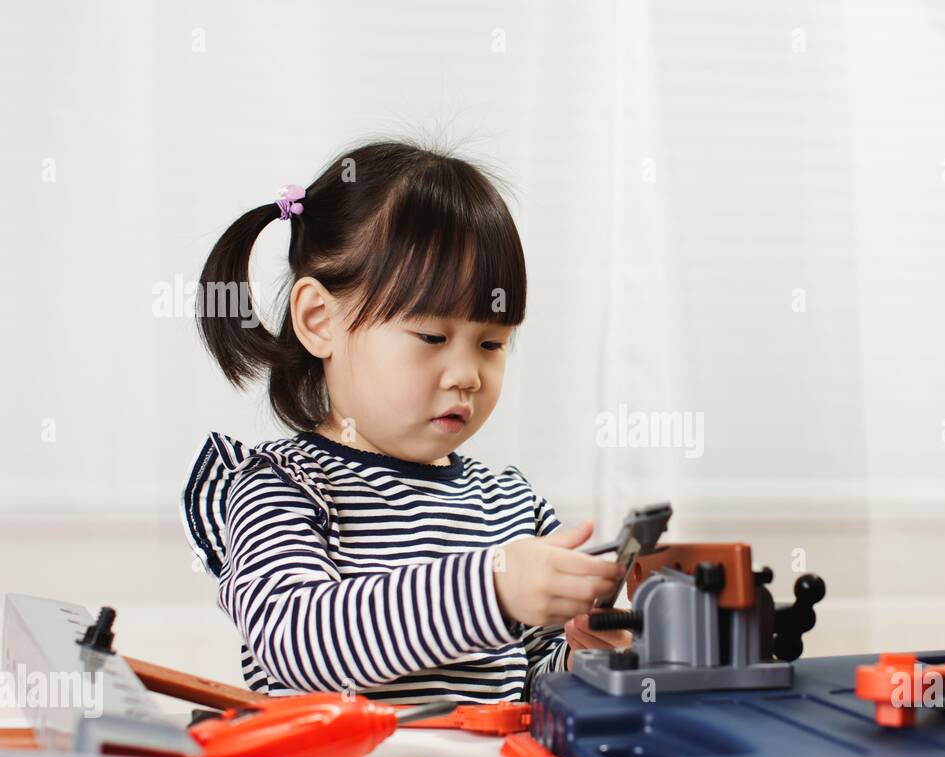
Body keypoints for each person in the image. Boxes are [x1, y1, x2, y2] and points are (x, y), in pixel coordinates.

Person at [182, 140, 630, 704]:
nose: (467, 374)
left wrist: (583, 653)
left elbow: (533, 687)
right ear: (320, 320)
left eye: (491, 343)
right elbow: (295, 640)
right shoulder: (282, 487)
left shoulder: (511, 505)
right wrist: (489, 590)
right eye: (432, 337)